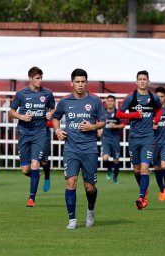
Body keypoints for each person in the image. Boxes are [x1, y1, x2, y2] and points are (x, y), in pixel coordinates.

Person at [52, 68, 105, 230]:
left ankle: (90, 209)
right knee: (71, 182)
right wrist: (57, 130)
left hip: (89, 148)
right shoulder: (65, 101)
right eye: (77, 82)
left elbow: (102, 121)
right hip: (71, 148)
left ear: (86, 82)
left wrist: (92, 126)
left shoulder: (95, 101)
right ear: (72, 83)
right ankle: (72, 219)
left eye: (83, 82)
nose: (80, 85)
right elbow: (55, 117)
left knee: (89, 187)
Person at [9, 66, 55, 207]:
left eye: (41, 78)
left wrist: (50, 113)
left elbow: (53, 108)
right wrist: (22, 116)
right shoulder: (21, 94)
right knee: (26, 170)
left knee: (35, 164)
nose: (40, 81)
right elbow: (11, 112)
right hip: (24, 133)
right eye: (37, 78)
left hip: (40, 134)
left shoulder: (47, 94)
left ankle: (31, 199)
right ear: (30, 78)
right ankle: (36, 176)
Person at [116, 70, 162, 210]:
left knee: (144, 169)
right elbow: (119, 113)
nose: (142, 81)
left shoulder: (153, 98)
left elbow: (159, 108)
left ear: (148, 81)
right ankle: (144, 191)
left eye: (144, 79)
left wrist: (157, 119)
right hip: (134, 138)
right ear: (136, 82)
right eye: (140, 79)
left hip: (148, 137)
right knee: (136, 170)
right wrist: (135, 115)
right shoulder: (131, 98)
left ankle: (142, 197)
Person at [97, 95, 126, 184]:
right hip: (105, 138)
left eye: (111, 101)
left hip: (115, 139)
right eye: (108, 101)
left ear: (114, 102)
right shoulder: (103, 112)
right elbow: (98, 122)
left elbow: (123, 124)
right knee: (105, 158)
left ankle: (115, 177)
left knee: (116, 160)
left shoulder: (118, 112)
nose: (110, 102)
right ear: (106, 102)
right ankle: (109, 169)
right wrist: (98, 130)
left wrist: (115, 126)